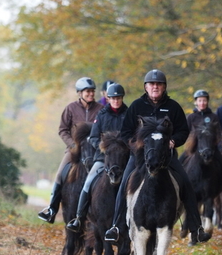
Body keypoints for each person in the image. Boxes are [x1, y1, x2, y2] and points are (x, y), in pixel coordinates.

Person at [104, 69, 211, 245]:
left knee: (185, 183)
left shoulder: (174, 107)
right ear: (146, 87)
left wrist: (174, 141)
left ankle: (196, 228)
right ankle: (116, 227)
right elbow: (125, 133)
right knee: (124, 183)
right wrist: (136, 145)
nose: (155, 87)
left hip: (166, 157)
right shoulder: (137, 106)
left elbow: (183, 131)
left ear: (164, 87)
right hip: (140, 158)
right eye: (152, 84)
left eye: (159, 84)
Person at [38, 77, 104, 224]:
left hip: (94, 150)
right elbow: (62, 130)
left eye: (92, 91)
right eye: (88, 92)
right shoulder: (70, 108)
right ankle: (51, 209)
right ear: (80, 93)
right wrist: (72, 145)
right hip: (74, 149)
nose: (91, 94)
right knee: (60, 175)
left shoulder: (100, 109)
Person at [66, 82, 128, 232]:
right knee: (88, 183)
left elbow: (133, 136)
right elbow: (93, 137)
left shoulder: (129, 114)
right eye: (113, 98)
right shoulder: (102, 114)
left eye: (118, 98)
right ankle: (79, 218)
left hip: (124, 159)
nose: (116, 101)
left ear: (122, 98)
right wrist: (103, 146)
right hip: (103, 158)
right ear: (108, 98)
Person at [187, 89, 222, 208]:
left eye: (204, 100)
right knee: (179, 164)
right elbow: (186, 133)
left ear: (207, 102)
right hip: (194, 150)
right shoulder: (191, 117)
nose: (202, 103)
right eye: (200, 100)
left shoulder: (213, 117)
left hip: (211, 150)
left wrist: (219, 146)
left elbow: (219, 134)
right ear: (196, 102)